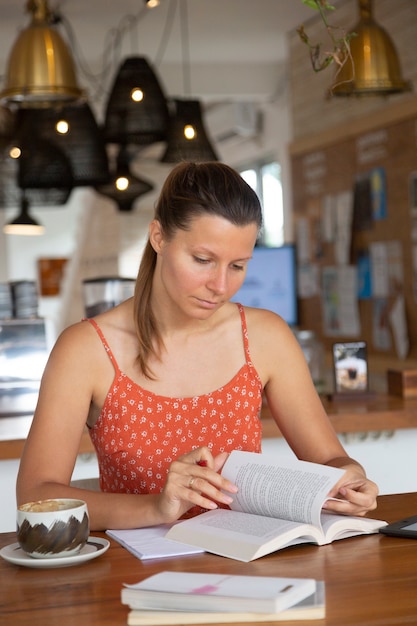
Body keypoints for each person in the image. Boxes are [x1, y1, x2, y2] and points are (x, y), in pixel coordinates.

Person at [17, 161, 378, 530]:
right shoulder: (85, 349)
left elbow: (330, 459)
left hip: (248, 560)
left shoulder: (266, 337)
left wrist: (349, 477)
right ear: (159, 237)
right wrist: (157, 508)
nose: (220, 286)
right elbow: (35, 495)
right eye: (203, 260)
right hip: (130, 572)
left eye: (237, 266)